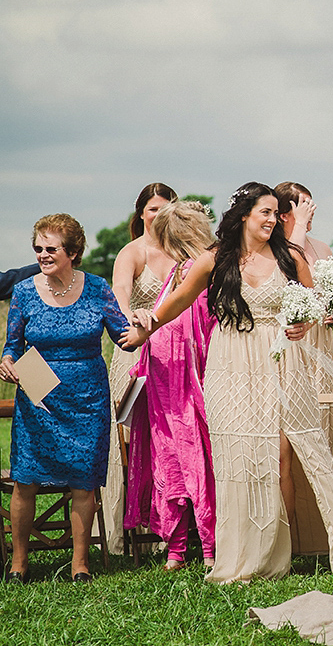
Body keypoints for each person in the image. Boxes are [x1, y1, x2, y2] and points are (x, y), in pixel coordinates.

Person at [122, 182, 333, 582]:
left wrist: (301, 324)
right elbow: (180, 299)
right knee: (239, 456)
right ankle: (243, 549)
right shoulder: (216, 259)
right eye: (266, 213)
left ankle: (282, 550)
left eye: (276, 213)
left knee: (283, 454)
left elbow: (311, 305)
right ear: (243, 217)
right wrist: (145, 330)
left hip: (281, 360)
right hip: (231, 362)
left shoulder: (290, 257)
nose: (273, 220)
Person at [1, 214, 132, 582]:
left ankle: (80, 565)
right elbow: (12, 346)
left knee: (83, 482)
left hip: (87, 400)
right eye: (38, 249)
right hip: (38, 399)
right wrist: (7, 362)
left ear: (73, 252)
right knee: (26, 480)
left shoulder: (98, 288)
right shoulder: (25, 291)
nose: (42, 255)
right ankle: (19, 563)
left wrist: (144, 324)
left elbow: (124, 335)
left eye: (51, 249)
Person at [123, 200, 218, 570]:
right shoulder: (184, 272)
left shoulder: (194, 273)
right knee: (187, 459)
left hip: (186, 377)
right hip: (171, 378)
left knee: (181, 459)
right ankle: (194, 548)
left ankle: (188, 548)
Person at [103, 181, 178, 553]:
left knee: (171, 436)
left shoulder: (184, 253)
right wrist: (136, 317)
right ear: (141, 213)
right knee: (129, 436)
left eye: (166, 208)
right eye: (153, 209)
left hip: (175, 357)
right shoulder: (131, 252)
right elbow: (119, 294)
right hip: (136, 352)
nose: (159, 215)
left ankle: (172, 528)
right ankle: (125, 531)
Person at [274, 181, 333, 464]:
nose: (311, 211)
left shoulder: (323, 248)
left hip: (322, 338)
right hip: (295, 339)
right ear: (285, 213)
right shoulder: (279, 248)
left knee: (323, 400)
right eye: (305, 205)